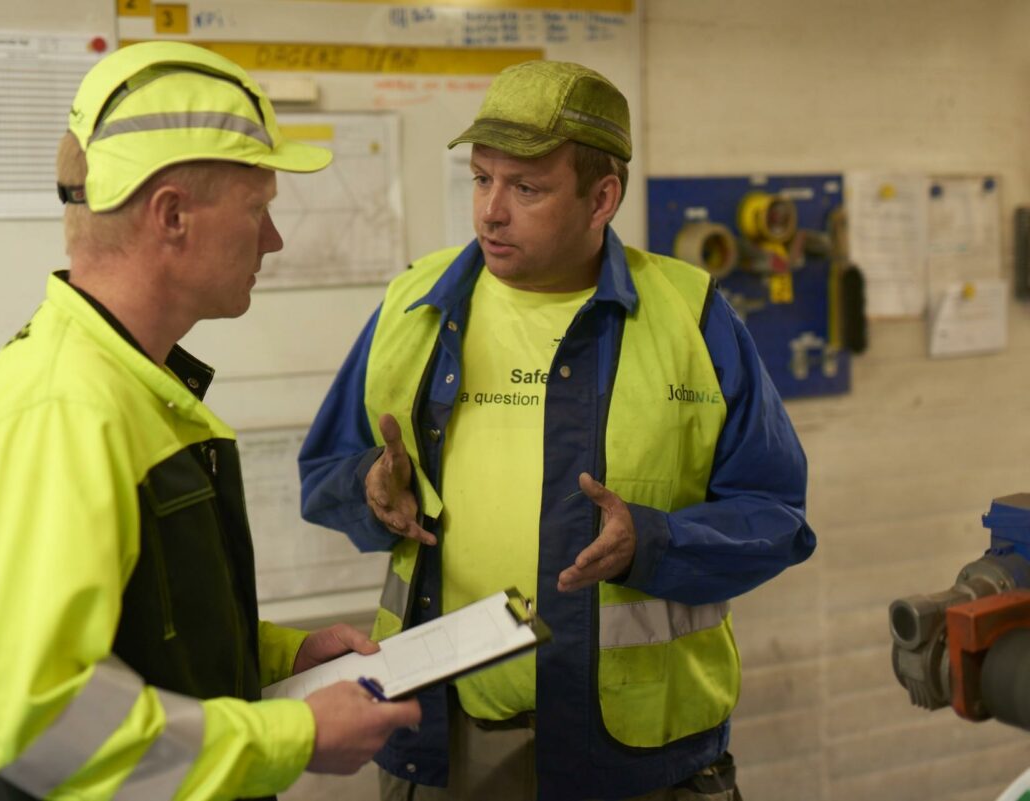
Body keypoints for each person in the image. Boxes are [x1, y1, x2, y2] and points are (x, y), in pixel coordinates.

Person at [299, 60, 816, 801]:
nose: (490, 212)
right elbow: (325, 469)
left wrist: (654, 541)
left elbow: (777, 515)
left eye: (526, 188)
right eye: (481, 179)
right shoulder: (412, 306)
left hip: (639, 763)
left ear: (601, 196)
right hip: (449, 745)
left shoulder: (692, 317)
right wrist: (368, 487)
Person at [0, 41, 419, 801]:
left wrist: (277, 656)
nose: (274, 239)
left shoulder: (130, 385)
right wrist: (299, 733)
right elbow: (40, 720)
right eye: (258, 209)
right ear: (171, 216)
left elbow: (143, 632)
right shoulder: (60, 410)